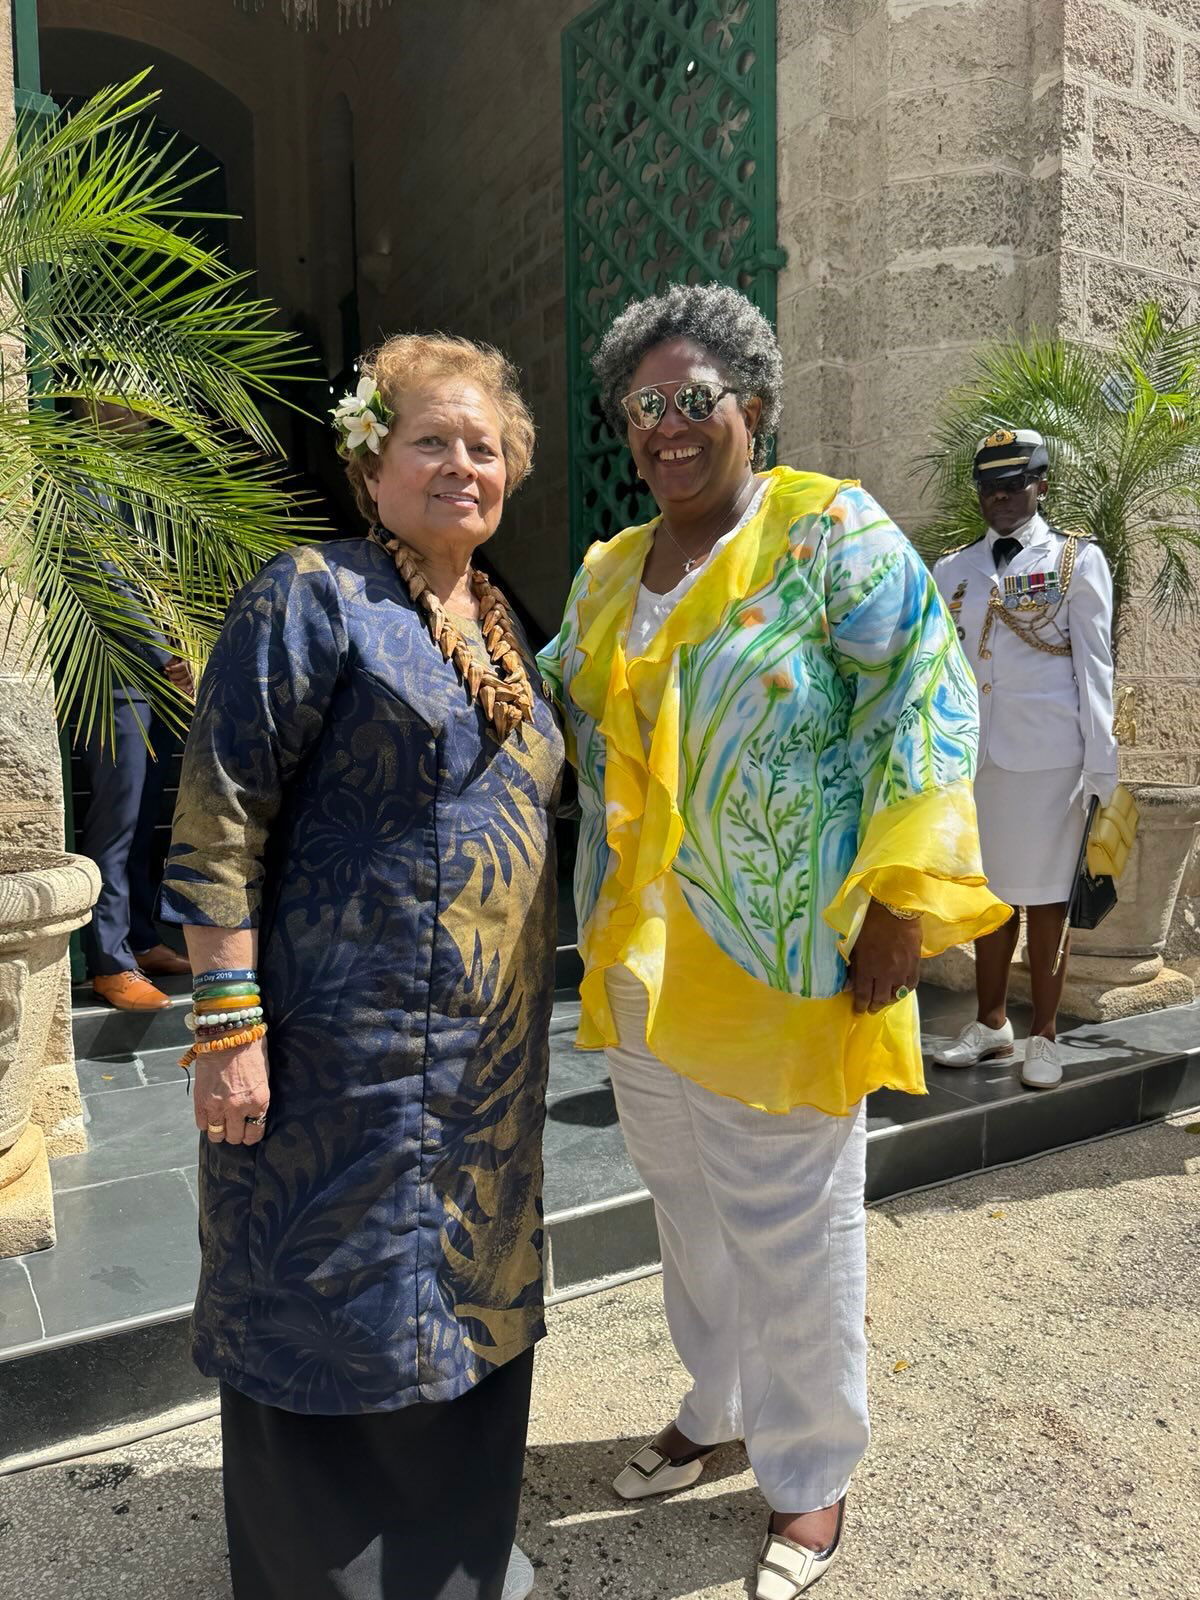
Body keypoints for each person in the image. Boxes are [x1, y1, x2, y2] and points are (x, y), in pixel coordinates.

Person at [537, 283, 1008, 1599]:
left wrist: (905, 905)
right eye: (645, 407)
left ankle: (811, 1477)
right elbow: (537, 706)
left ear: (751, 406)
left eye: (695, 401)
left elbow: (929, 694)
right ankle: (718, 1404)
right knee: (688, 1219)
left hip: (791, 962)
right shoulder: (609, 571)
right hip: (639, 966)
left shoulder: (826, 534)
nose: (669, 429)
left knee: (797, 1234)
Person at [159, 335, 563, 1600]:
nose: (461, 464)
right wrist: (228, 1024)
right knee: (327, 1296)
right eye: (430, 440)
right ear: (369, 465)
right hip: (339, 1055)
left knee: (466, 1308)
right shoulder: (311, 595)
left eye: (484, 445)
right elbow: (223, 807)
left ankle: (450, 1570)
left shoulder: (509, 625)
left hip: (486, 1067)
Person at [931, 429, 1117, 1090]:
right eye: (989, 487)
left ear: (1041, 485)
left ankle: (1043, 1032)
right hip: (976, 760)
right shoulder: (952, 570)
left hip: (1049, 761)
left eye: (1015, 484)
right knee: (989, 898)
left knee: (1043, 900)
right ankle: (990, 1024)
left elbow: (1095, 668)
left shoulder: (1074, 560)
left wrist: (1102, 764)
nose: (1001, 498)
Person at [71, 401, 194, 1010]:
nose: (144, 407)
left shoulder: (137, 480)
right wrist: (160, 652)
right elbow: (101, 578)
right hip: (114, 670)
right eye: (127, 393)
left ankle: (142, 940)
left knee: (149, 814)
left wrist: (187, 645)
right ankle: (109, 960)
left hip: (161, 673)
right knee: (116, 819)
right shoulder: (76, 471)